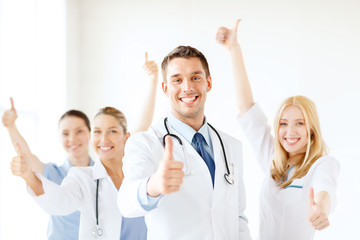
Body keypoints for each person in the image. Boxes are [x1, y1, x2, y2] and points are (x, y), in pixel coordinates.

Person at [7, 52, 159, 239]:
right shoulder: (81, 177)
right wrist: (27, 175)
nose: (104, 139)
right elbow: (60, 202)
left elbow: (143, 125)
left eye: (112, 131)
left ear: (126, 137)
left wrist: (153, 82)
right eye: (98, 131)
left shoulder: (140, 172)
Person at [216, 19, 340, 239]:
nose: (289, 132)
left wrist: (320, 209)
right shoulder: (273, 159)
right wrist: (234, 50)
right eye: (283, 123)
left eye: (299, 123)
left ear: (312, 130)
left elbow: (325, 190)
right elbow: (246, 108)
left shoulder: (322, 164)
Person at [118, 45, 251, 239]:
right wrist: (152, 186)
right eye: (177, 80)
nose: (187, 87)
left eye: (195, 77)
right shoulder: (145, 143)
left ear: (208, 83)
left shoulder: (231, 145)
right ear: (165, 88)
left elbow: (238, 218)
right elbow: (126, 203)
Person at [3, 98, 93, 240]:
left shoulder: (102, 173)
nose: (72, 139)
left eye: (79, 131)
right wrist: (11, 127)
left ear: (90, 133)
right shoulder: (53, 173)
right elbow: (27, 156)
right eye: (65, 133)